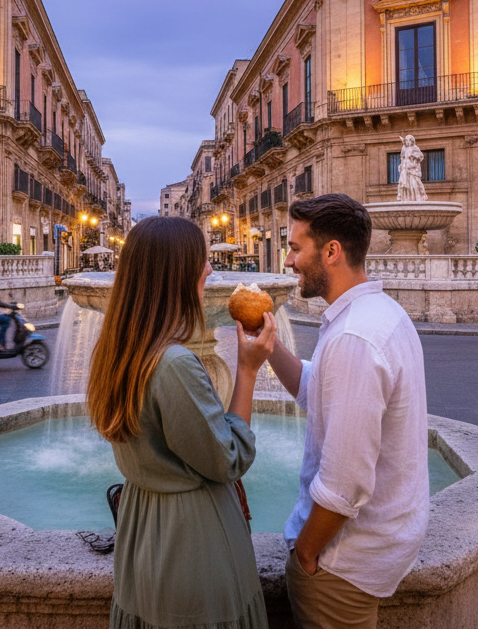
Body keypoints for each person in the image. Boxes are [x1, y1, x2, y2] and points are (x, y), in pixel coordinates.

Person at [88, 216, 276, 629]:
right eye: (203, 261)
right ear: (177, 273)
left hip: (142, 532)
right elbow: (228, 460)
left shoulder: (119, 351)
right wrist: (247, 370)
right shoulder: (175, 365)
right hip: (192, 544)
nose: (210, 269)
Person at [266, 193, 428, 629]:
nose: (288, 260)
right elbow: (314, 387)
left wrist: (306, 554)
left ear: (331, 251)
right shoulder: (379, 312)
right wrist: (269, 346)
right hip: (374, 549)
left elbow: (344, 484)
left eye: (296, 247)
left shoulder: (355, 336)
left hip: (342, 566)